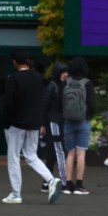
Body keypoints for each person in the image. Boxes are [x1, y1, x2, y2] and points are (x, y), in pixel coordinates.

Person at [1, 49, 62, 205]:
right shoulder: (38, 79)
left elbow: (9, 103)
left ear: (14, 62)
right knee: (31, 155)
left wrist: (6, 122)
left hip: (16, 124)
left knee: (14, 157)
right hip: (34, 123)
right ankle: (50, 179)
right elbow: (40, 102)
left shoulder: (13, 79)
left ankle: (16, 194)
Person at [62, 56, 95, 195]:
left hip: (68, 121)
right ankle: (79, 185)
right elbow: (92, 105)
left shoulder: (66, 83)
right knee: (81, 153)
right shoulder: (87, 84)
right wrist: (87, 115)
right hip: (83, 121)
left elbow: (60, 101)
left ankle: (68, 184)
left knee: (70, 153)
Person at [39, 62, 68, 190]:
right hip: (54, 122)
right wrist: (42, 124)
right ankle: (64, 182)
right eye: (63, 72)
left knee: (51, 154)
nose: (66, 74)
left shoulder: (57, 86)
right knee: (59, 152)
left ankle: (47, 182)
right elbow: (43, 108)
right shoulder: (54, 87)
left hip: (54, 122)